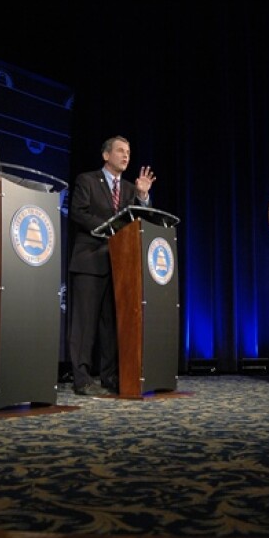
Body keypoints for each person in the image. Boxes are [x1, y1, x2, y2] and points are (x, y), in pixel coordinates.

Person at [66, 135, 155, 396]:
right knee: (84, 325)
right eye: (120, 151)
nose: (125, 155)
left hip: (119, 265)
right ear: (106, 155)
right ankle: (81, 379)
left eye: (128, 152)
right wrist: (109, 229)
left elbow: (140, 219)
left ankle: (110, 376)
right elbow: (78, 213)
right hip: (89, 260)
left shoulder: (130, 188)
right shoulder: (87, 180)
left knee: (111, 325)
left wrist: (142, 196)